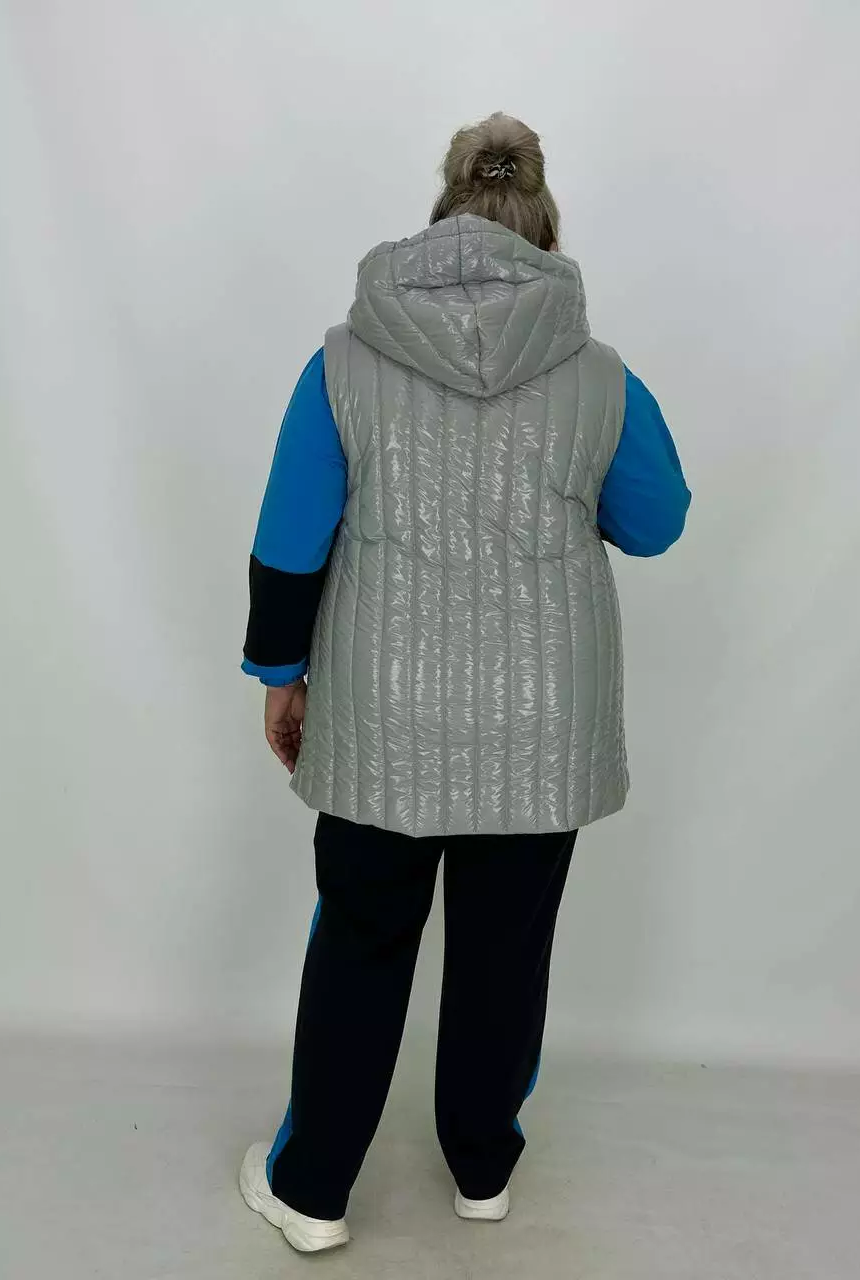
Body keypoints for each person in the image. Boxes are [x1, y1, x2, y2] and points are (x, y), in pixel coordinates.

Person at [238, 112, 691, 1254]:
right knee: (504, 954)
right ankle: (483, 1169)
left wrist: (281, 675)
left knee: (361, 941)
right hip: (543, 720)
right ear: (545, 231)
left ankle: (312, 1191)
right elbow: (657, 522)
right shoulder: (599, 373)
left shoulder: (342, 360)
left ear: (441, 216)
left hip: (381, 709)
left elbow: (290, 537)